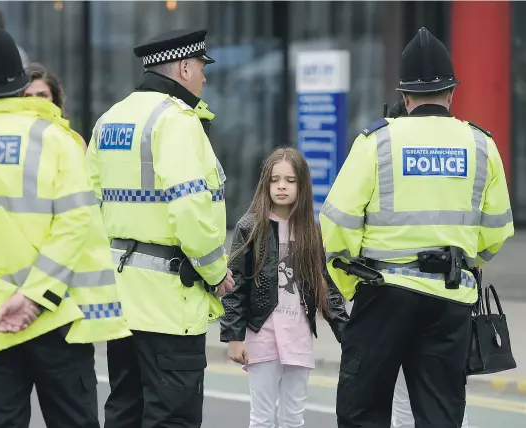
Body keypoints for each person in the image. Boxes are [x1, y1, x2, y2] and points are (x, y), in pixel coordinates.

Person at [0, 20, 130, 428]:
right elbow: (76, 220)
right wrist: (33, 298)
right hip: (58, 318)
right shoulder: (55, 138)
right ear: (19, 84)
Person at [320, 27, 513, 428]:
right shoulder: (481, 145)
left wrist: (350, 285)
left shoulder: (376, 142)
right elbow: (497, 229)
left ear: (405, 97)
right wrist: (466, 260)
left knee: (362, 412)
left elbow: (336, 223)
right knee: (440, 415)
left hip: (382, 294)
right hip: (449, 298)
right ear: (451, 93)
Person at [86, 28, 234, 428]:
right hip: (170, 302)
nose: (204, 77)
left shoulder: (109, 119)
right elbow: (190, 209)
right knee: (173, 417)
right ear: (184, 67)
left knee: (125, 409)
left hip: (122, 300)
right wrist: (217, 272)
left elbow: (89, 207)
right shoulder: (177, 121)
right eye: (201, 67)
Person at [220, 147, 349, 428]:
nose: (281, 186)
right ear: (265, 184)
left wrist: (348, 335)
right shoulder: (250, 227)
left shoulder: (311, 231)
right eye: (275, 180)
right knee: (262, 418)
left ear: (302, 185)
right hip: (261, 335)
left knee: (293, 418)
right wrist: (233, 335)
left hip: (298, 335)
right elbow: (236, 285)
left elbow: (326, 287)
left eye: (290, 181)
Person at [385, 98, 470, 428]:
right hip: (450, 294)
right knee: (442, 397)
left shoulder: (380, 153)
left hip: (394, 295)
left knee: (403, 401)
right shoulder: (459, 149)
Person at [25, 62, 88, 152]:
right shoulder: (10, 138)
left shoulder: (73, 140)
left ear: (54, 99)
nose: (36, 102)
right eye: (28, 96)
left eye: (42, 96)